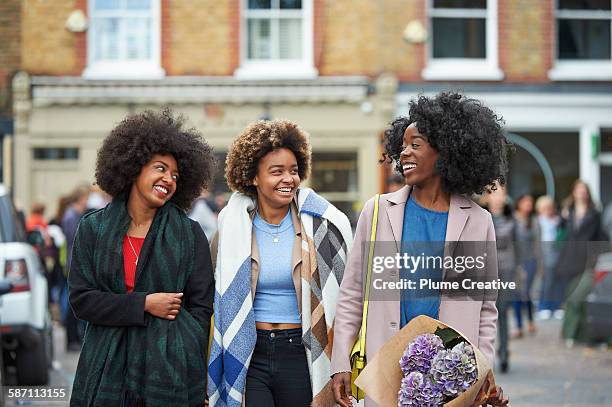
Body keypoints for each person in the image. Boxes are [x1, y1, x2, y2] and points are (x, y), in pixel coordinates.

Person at [331, 92, 510, 407]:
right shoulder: (377, 212)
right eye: (402, 146)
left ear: (446, 152)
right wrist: (340, 362)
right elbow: (352, 295)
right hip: (384, 369)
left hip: (451, 377)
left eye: (416, 145)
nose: (404, 153)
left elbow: (486, 310)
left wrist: (482, 369)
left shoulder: (479, 221)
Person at [68, 109, 216, 406]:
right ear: (134, 167)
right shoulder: (93, 228)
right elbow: (82, 300)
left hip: (169, 371)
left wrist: (185, 345)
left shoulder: (189, 234)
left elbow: (202, 306)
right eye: (160, 168)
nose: (168, 179)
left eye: (175, 175)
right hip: (105, 364)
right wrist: (144, 304)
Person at [207, 120, 353, 407]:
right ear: (253, 177)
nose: (289, 179)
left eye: (294, 171)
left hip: (301, 353)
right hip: (250, 352)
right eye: (277, 172)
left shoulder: (322, 224)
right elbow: (212, 293)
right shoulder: (231, 225)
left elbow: (348, 295)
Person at [558, 180, 608, 345]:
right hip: (569, 260)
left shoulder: (594, 213)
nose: (580, 193)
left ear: (587, 193)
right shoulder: (568, 212)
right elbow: (561, 235)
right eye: (577, 189)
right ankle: (570, 334)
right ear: (573, 192)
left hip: (586, 262)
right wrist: (563, 218)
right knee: (570, 297)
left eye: (583, 190)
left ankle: (575, 334)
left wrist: (597, 255)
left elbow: (601, 237)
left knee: (578, 297)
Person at [485, 185, 516, 373]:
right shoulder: (479, 217)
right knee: (483, 313)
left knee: (502, 313)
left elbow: (518, 248)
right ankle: (484, 355)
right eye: (493, 193)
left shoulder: (512, 219)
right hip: (483, 270)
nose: (497, 197)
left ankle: (504, 352)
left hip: (505, 270)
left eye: (500, 193)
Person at [62, 185, 90, 351]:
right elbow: (74, 238)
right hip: (73, 262)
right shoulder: (71, 216)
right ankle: (71, 338)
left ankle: (77, 337)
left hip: (76, 260)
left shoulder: (76, 214)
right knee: (71, 301)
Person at [512, 194, 539, 337]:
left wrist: (540, 264)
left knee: (526, 292)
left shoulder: (534, 221)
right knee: (517, 293)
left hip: (531, 261)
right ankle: (519, 326)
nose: (529, 204)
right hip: (516, 262)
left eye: (531, 202)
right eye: (526, 202)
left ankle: (530, 320)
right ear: (519, 203)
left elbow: (537, 243)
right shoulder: (513, 219)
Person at [535, 195, 562, 320]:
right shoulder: (538, 221)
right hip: (544, 252)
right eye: (545, 207)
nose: (548, 209)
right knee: (546, 281)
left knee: (557, 281)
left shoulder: (557, 220)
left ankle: (556, 306)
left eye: (550, 207)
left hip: (557, 252)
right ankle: (543, 306)